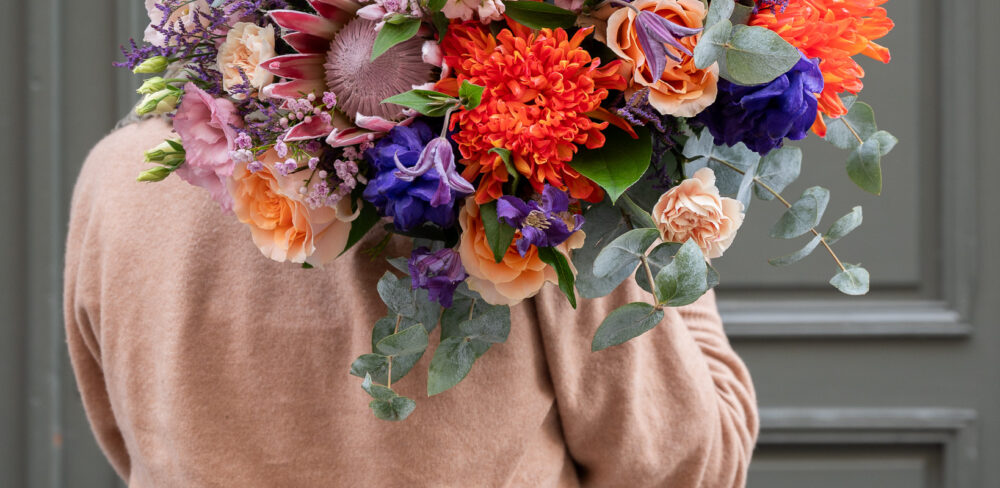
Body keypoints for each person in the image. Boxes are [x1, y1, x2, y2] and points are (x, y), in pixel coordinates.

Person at [65, 118, 759, 488]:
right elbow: (684, 464)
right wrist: (664, 216)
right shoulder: (527, 195)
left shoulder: (122, 171)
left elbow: (127, 437)